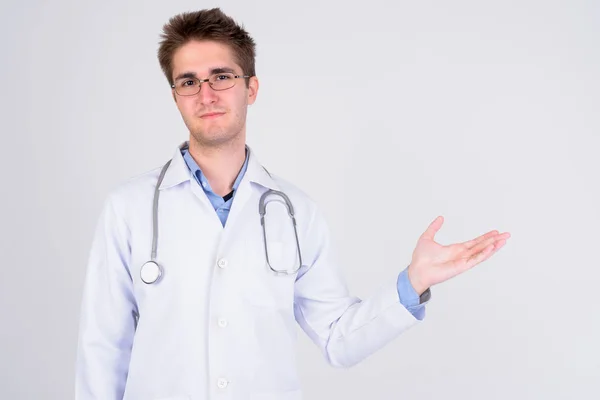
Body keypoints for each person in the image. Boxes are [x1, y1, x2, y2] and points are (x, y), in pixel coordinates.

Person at [75, 8, 510, 400]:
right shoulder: (128, 208)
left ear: (252, 88)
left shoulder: (297, 212)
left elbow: (339, 340)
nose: (205, 93)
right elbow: (103, 351)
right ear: (175, 96)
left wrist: (412, 283)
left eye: (221, 76)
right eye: (189, 81)